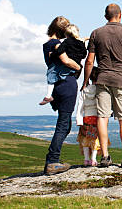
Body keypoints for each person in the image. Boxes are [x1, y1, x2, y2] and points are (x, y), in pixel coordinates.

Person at [83, 3, 122, 169]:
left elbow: (89, 61)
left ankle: (105, 157)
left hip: (103, 79)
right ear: (120, 15)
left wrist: (86, 81)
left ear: (105, 16)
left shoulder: (96, 33)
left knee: (102, 116)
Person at [43, 16, 82, 176]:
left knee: (65, 125)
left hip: (57, 87)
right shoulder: (57, 44)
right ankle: (52, 162)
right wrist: (78, 66)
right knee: (64, 125)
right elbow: (66, 61)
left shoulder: (47, 44)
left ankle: (51, 159)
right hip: (66, 85)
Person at [40, 24, 88, 105]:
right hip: (76, 65)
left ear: (66, 34)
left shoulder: (67, 42)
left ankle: (48, 96)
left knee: (51, 74)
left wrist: (52, 54)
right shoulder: (80, 43)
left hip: (67, 65)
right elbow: (84, 55)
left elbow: (59, 51)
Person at [75, 67, 108, 166]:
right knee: (95, 139)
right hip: (97, 118)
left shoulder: (84, 90)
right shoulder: (100, 90)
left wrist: (79, 119)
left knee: (85, 139)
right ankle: (93, 159)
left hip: (86, 117)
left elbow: (80, 106)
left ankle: (86, 159)